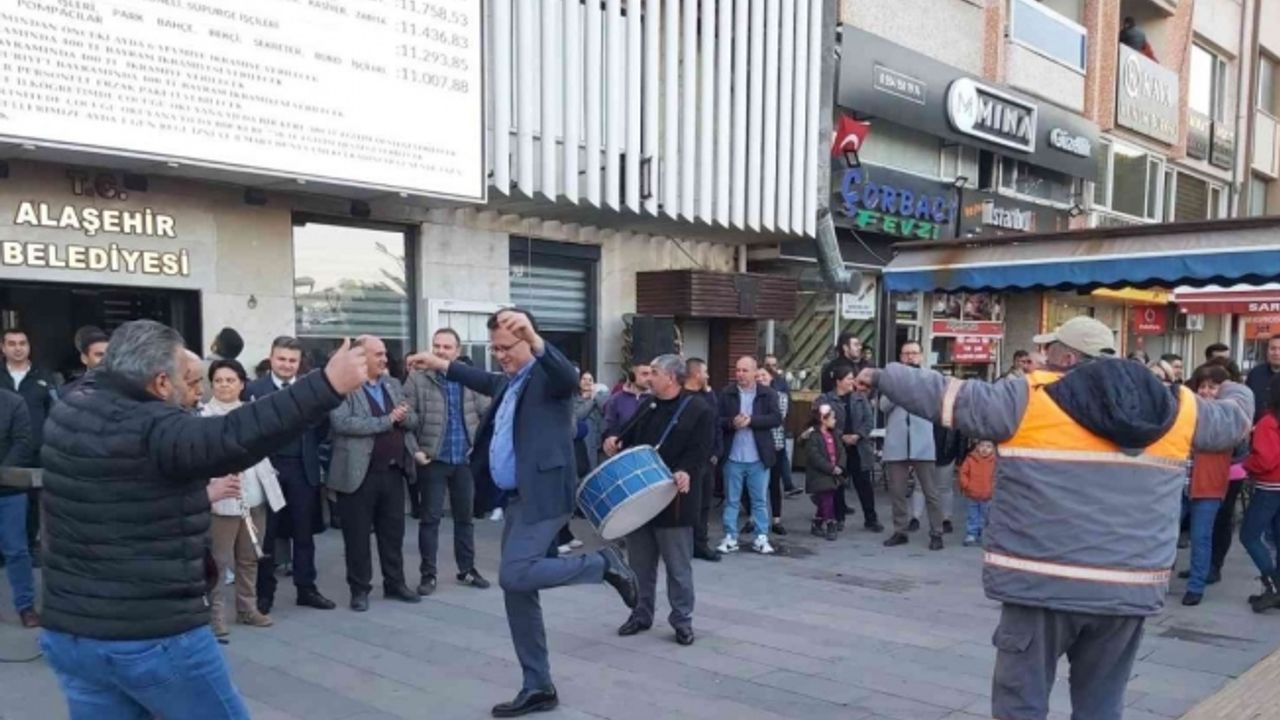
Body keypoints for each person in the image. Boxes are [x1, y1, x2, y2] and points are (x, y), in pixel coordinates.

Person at [854, 315, 1252, 720]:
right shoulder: (1177, 409)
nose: (1041, 358)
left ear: (1067, 357)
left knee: (1020, 706)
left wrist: (881, 375)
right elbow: (1235, 419)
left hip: (1040, 586)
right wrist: (1233, 383)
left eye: (1048, 351)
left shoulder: (1027, 398)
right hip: (1125, 592)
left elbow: (944, 394)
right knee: (1101, 707)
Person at [39, 319, 369, 719]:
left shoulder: (70, 409)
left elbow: (125, 493)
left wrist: (197, 495)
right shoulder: (154, 427)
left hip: (73, 634)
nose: (195, 390)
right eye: (189, 380)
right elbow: (233, 435)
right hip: (151, 635)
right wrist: (328, 384)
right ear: (161, 383)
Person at [409, 308, 638, 718]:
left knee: (513, 574)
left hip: (545, 496)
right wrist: (440, 363)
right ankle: (538, 686)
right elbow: (480, 378)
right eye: (494, 348)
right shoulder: (510, 382)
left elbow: (567, 377)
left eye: (506, 348)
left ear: (527, 341)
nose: (499, 356)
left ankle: (602, 564)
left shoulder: (548, 379)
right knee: (518, 592)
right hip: (517, 498)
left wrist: (534, 340)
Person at [603, 354, 712, 646]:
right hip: (641, 499)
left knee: (678, 567)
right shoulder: (647, 406)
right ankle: (641, 614)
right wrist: (613, 440)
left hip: (675, 500)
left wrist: (686, 470)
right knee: (640, 564)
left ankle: (682, 620)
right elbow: (628, 438)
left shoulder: (698, 409)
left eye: (654, 372)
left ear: (671, 377)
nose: (648, 377)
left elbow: (702, 451)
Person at [328, 335, 422, 611]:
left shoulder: (393, 384)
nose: (384, 359)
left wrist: (404, 417)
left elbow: (412, 419)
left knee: (392, 533)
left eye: (384, 354)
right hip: (358, 474)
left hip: (393, 471)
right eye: (378, 354)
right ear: (362, 356)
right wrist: (387, 421)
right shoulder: (344, 384)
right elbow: (342, 423)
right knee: (357, 536)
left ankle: (395, 583)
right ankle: (359, 590)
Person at [244, 336, 337, 614]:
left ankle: (306, 589)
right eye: (281, 359)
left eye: (292, 360)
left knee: (304, 533)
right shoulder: (253, 390)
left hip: (302, 468)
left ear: (299, 363)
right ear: (271, 358)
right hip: (267, 470)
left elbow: (322, 427)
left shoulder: (310, 389)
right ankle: (264, 594)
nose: (286, 365)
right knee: (267, 535)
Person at [404, 328, 491, 596]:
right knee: (430, 520)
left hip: (464, 460)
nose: (441, 351)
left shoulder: (469, 379)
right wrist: (415, 451)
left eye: (447, 347)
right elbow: (405, 422)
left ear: (457, 351)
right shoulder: (418, 379)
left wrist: (480, 449)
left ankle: (467, 569)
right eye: (437, 346)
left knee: (465, 519)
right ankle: (428, 575)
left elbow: (487, 414)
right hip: (433, 459)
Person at [203, 359, 281, 638]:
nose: (224, 385)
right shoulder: (203, 416)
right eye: (218, 381)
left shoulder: (252, 412)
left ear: (241, 384)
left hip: (255, 494)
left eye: (230, 380)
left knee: (249, 558)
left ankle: (247, 608)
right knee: (219, 561)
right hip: (223, 499)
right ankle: (215, 616)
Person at [1180, 363, 1237, 607]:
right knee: (1168, 534)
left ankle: (1196, 586)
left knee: (1201, 536)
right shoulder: (1187, 410)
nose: (1205, 391)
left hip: (1208, 485)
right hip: (1180, 483)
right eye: (1202, 386)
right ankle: (1159, 580)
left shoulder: (1228, 416)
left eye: (1212, 387)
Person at [1, 328, 59, 565]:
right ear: (3, 348)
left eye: (22, 343)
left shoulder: (44, 377)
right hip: (3, 453)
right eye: (12, 343)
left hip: (35, 452)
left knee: (32, 503)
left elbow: (54, 412)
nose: (18, 348)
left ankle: (27, 546)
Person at [716, 356, 782, 556]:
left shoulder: (768, 394)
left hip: (758, 456)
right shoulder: (726, 393)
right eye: (738, 370)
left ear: (755, 372)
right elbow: (716, 420)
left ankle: (761, 537)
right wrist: (732, 423)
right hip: (733, 456)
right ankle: (730, 536)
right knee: (731, 500)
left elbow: (776, 418)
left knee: (759, 500)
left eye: (745, 370)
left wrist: (752, 421)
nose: (740, 374)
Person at [881, 341, 944, 550]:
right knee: (897, 491)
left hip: (922, 442)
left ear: (921, 356)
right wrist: (900, 388)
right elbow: (883, 406)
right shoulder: (892, 379)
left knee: (931, 491)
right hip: (897, 442)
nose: (910, 357)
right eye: (906, 353)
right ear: (901, 357)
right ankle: (900, 531)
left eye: (914, 353)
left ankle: (937, 532)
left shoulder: (931, 378)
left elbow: (937, 406)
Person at [818, 363, 879, 532]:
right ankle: (838, 518)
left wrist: (858, 435)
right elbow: (821, 422)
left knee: (864, 485)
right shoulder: (826, 399)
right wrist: (841, 436)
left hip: (859, 448)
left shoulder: (860, 398)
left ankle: (871, 519)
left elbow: (869, 421)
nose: (853, 382)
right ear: (838, 381)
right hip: (837, 448)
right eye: (849, 379)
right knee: (837, 484)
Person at [1242, 375, 1280, 613]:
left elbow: (1265, 460)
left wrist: (1247, 463)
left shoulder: (1268, 422)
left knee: (1249, 535)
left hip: (1270, 487)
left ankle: (1273, 586)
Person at [0, 388, 36, 627]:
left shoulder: (13, 402)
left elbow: (23, 442)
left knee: (16, 551)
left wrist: (2, 473)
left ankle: (25, 606)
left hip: (9, 489)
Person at [684, 357, 722, 562]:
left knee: (704, 503)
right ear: (696, 374)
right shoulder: (682, 397)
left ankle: (700, 543)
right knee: (689, 503)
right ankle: (684, 544)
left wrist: (717, 451)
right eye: (705, 372)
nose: (708, 376)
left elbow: (715, 420)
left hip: (708, 460)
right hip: (689, 460)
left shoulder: (707, 396)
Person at [804, 402, 845, 541]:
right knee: (827, 497)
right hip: (819, 474)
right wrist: (831, 468)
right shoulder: (813, 436)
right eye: (832, 417)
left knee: (825, 499)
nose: (835, 420)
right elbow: (815, 457)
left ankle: (817, 522)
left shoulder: (835, 434)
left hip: (833, 473)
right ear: (823, 419)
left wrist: (840, 466)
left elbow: (841, 452)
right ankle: (830, 522)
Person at [758, 367, 789, 535]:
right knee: (755, 484)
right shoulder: (752, 395)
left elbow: (778, 418)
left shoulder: (780, 396)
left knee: (774, 483)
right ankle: (754, 518)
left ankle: (776, 519)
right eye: (758, 375)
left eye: (764, 375)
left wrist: (755, 420)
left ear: (771, 378)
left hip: (775, 443)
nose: (760, 378)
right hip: (755, 444)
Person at [764, 355, 799, 497]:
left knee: (782, 456)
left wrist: (788, 423)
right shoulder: (762, 380)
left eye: (773, 365)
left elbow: (787, 402)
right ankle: (786, 486)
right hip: (765, 426)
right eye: (768, 365)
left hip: (778, 426)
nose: (771, 368)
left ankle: (788, 485)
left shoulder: (781, 381)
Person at [958, 440, 996, 547]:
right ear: (977, 447)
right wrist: (966, 485)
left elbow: (998, 476)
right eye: (982, 445)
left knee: (986, 516)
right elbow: (963, 473)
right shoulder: (970, 459)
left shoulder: (995, 461)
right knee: (972, 515)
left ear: (993, 449)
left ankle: (984, 534)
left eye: (988, 446)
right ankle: (971, 534)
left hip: (988, 495)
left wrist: (993, 489)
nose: (985, 449)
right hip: (972, 494)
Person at [603, 362, 651, 437]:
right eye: (645, 374)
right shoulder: (615, 400)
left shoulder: (656, 399)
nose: (649, 378)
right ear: (632, 376)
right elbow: (609, 427)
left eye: (651, 374)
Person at [1247, 335, 1280, 421]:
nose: (1276, 353)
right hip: (1254, 425)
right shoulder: (1255, 373)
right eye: (1273, 348)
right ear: (1267, 351)